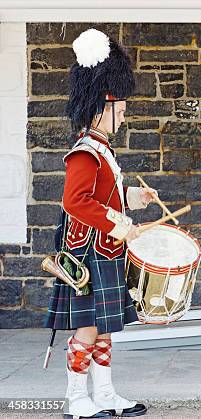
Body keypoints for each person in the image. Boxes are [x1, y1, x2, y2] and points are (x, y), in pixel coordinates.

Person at [45, 28, 154, 419]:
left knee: (105, 329)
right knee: (89, 329)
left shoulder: (102, 150)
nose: (124, 116)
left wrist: (134, 199)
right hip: (88, 252)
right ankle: (77, 400)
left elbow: (103, 197)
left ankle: (105, 395)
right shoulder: (84, 152)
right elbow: (75, 202)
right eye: (120, 110)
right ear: (99, 106)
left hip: (103, 249)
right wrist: (120, 226)